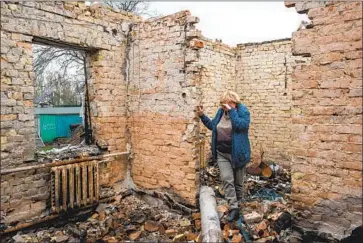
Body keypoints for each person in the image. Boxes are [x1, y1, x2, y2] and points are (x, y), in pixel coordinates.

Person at [197, 91, 251, 222]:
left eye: (227, 103)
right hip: (222, 153)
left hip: (237, 154)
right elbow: (213, 126)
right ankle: (233, 208)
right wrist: (202, 116)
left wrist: (232, 112)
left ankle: (239, 204)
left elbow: (241, 126)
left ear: (234, 103)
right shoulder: (221, 112)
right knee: (227, 180)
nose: (224, 106)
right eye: (223, 103)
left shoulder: (243, 111)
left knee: (238, 183)